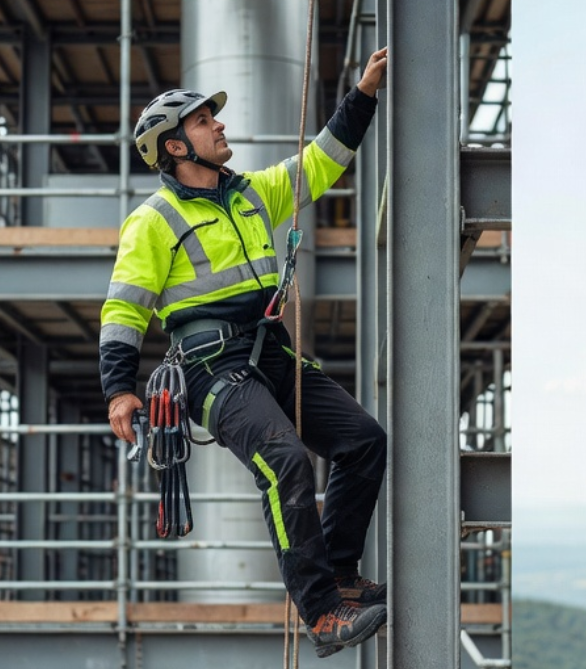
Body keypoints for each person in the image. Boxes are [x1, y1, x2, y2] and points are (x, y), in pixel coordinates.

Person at [101, 47, 389, 659]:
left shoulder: (256, 194)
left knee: (364, 439)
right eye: (206, 121)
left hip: (270, 356)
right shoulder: (152, 221)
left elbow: (323, 161)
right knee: (284, 459)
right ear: (176, 147)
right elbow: (124, 308)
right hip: (210, 372)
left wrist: (363, 92)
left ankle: (338, 572)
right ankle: (321, 614)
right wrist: (119, 389)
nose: (220, 125)